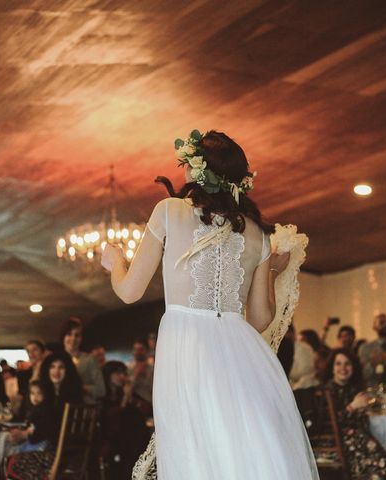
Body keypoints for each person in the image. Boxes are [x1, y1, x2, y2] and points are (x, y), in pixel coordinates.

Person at [101, 130, 318, 479]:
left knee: (195, 451)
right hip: (240, 353)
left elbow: (129, 291)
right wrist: (272, 274)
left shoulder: (169, 211)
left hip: (186, 350)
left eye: (186, 161)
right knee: (243, 448)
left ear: (196, 170)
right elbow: (261, 319)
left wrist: (115, 263)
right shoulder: (258, 234)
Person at [318, 349, 386, 480]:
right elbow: (326, 424)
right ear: (332, 368)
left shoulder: (354, 389)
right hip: (334, 443)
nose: (343, 368)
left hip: (357, 441)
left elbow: (362, 422)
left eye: (347, 364)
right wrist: (352, 407)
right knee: (366, 448)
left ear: (353, 367)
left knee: (368, 447)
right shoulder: (326, 391)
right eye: (338, 364)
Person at [100, 361, 151, 478]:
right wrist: (125, 399)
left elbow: (147, 409)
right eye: (118, 373)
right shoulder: (104, 395)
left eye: (124, 373)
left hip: (133, 439)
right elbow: (111, 417)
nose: (122, 377)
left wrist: (130, 399)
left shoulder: (126, 391)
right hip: (114, 440)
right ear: (109, 375)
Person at [60, 317, 106, 404]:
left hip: (82, 408)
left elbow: (101, 391)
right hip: (60, 407)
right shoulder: (56, 359)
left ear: (81, 339)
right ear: (63, 337)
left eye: (77, 335)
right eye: (69, 334)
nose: (73, 339)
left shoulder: (89, 359)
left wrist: (79, 387)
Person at [8, 380, 57, 453]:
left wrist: (26, 433)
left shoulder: (45, 411)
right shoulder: (33, 410)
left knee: (15, 451)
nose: (35, 397)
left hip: (41, 445)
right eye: (32, 393)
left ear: (45, 394)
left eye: (39, 393)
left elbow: (40, 432)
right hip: (34, 442)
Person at [127, 338, 154, 408]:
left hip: (149, 406)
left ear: (147, 351)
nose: (137, 352)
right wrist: (136, 374)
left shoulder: (153, 369)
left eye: (141, 349)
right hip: (132, 406)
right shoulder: (128, 368)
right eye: (135, 349)